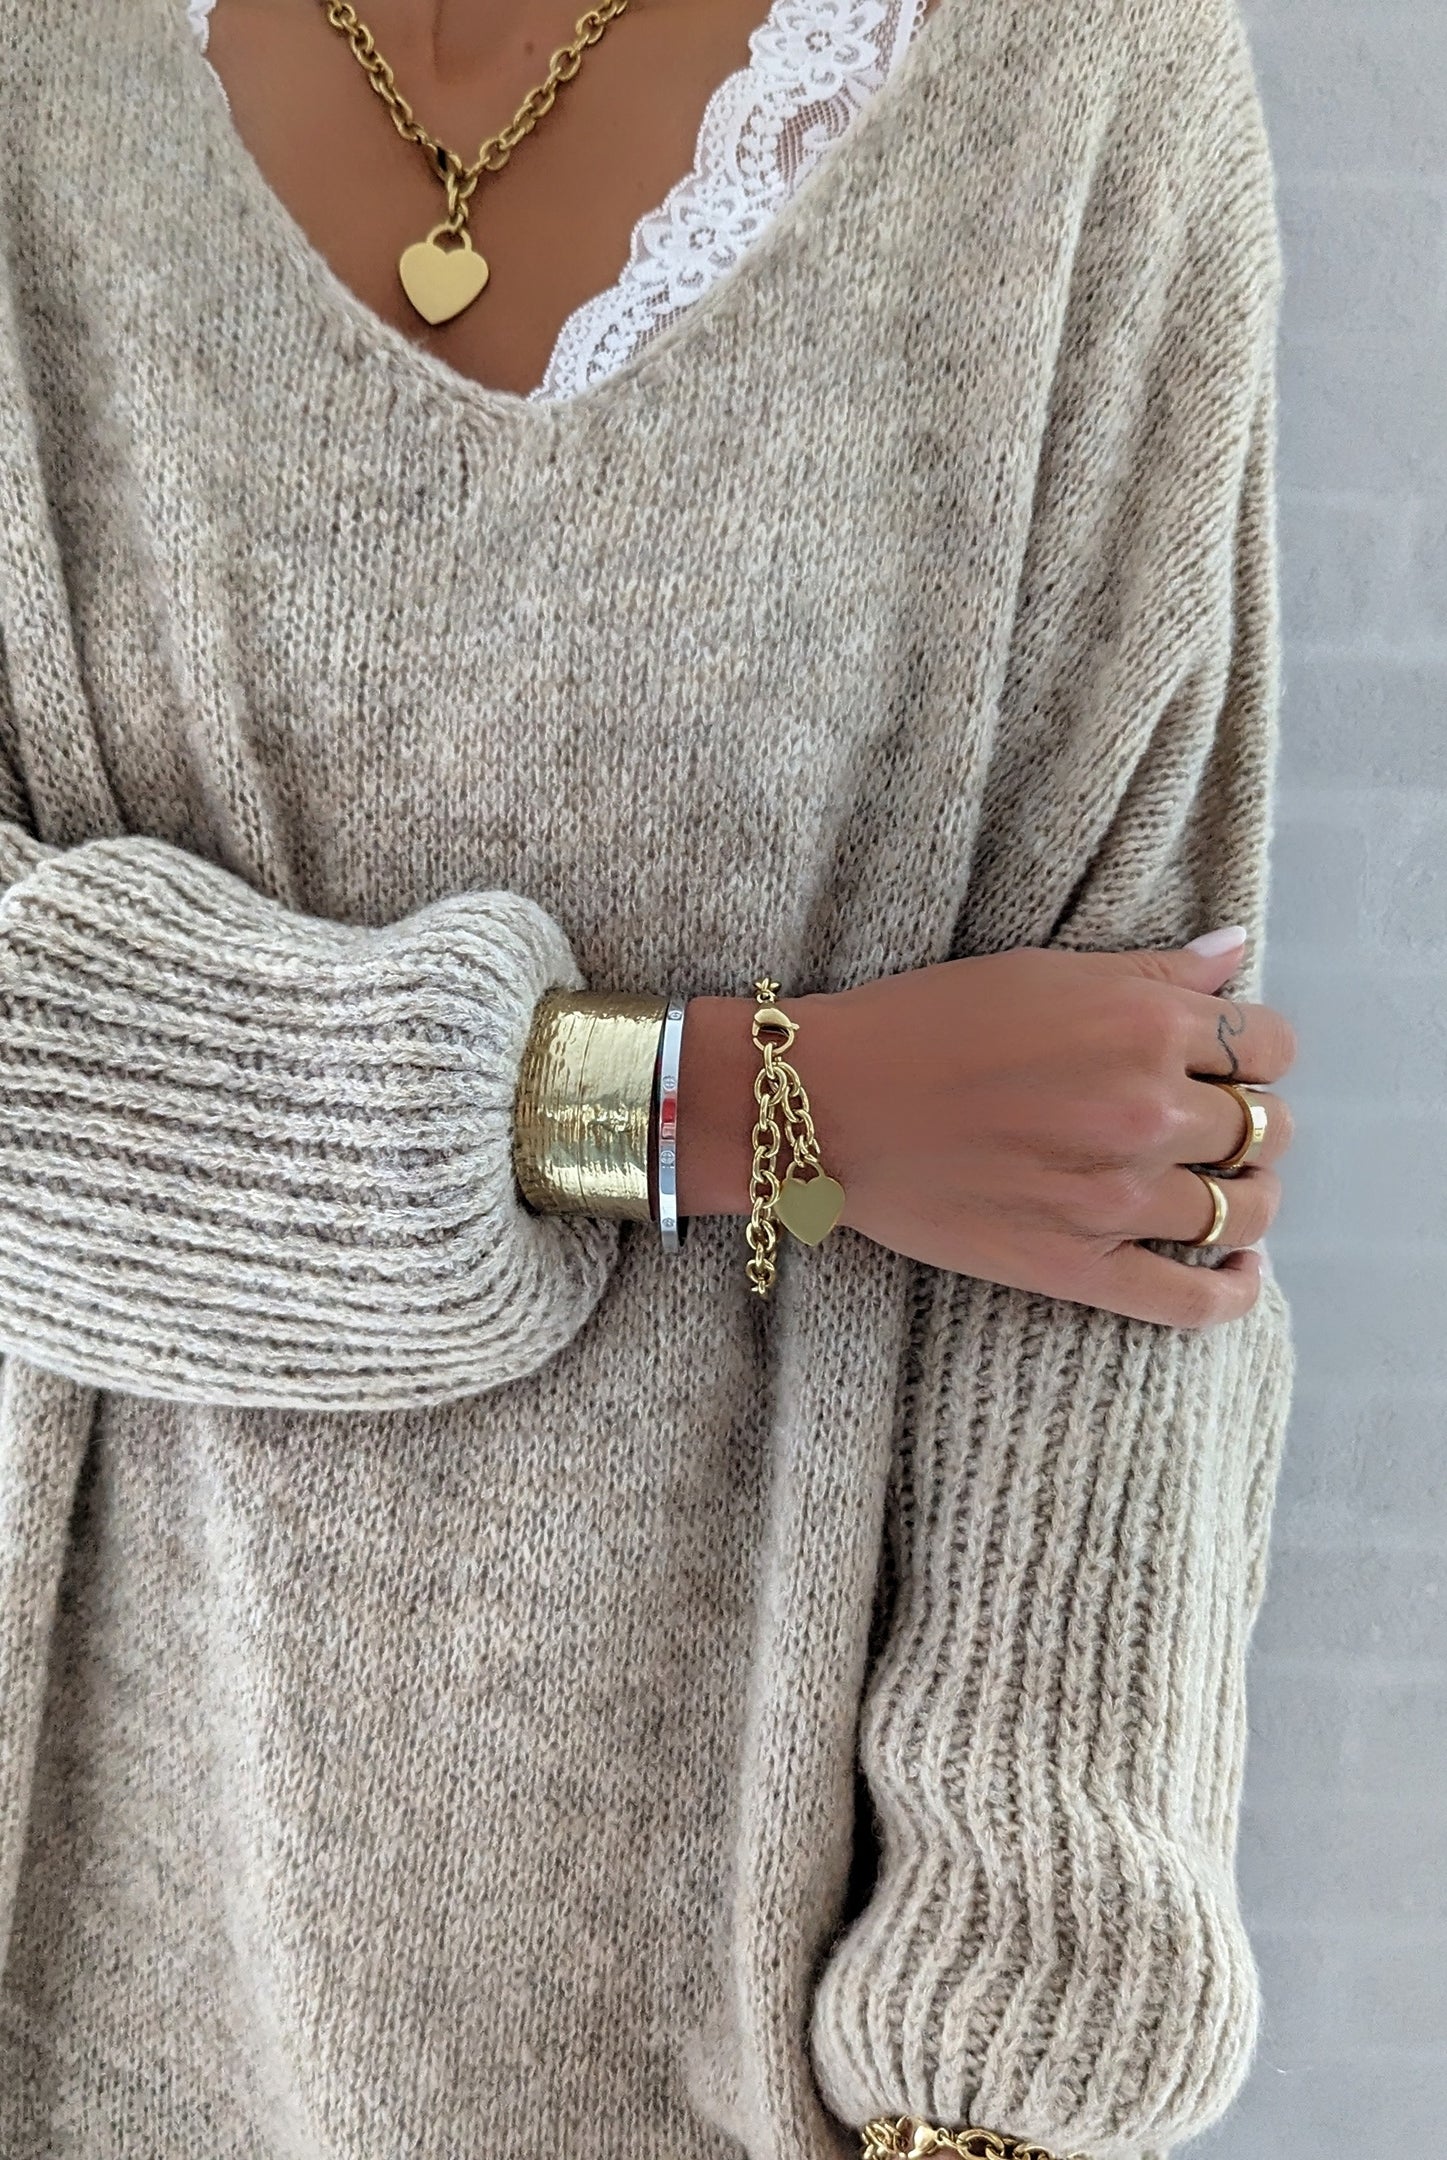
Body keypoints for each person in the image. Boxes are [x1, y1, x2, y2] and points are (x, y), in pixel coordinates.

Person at [0, 1, 1297, 2157]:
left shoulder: (1077, 80)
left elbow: (1121, 1182)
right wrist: (724, 1104)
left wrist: (996, 2099)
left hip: (750, 2053)